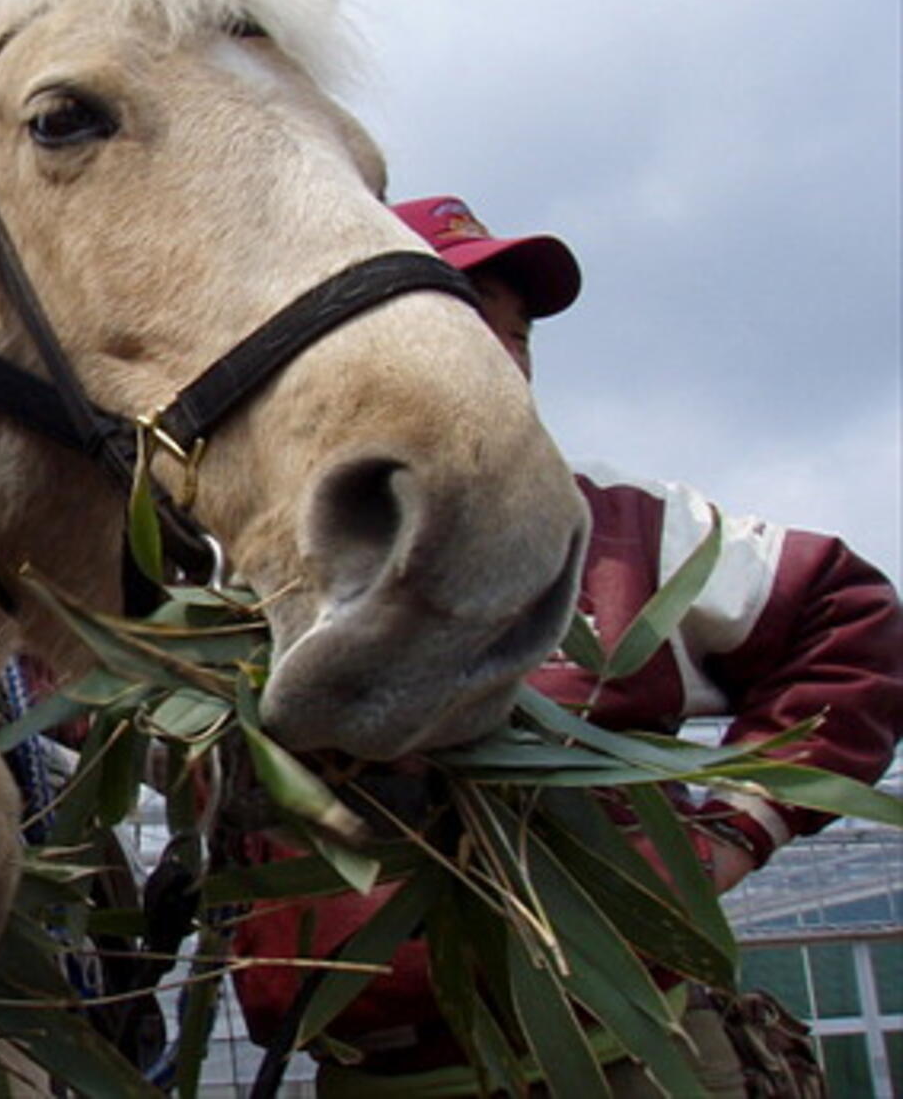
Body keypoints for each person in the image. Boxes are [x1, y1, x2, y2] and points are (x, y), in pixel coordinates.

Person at [228, 194, 903, 1096]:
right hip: (372, 1069)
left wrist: (728, 834)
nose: (503, 355)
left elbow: (846, 615)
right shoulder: (245, 560)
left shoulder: (622, 529)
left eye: (520, 333)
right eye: (464, 320)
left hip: (630, 1059)